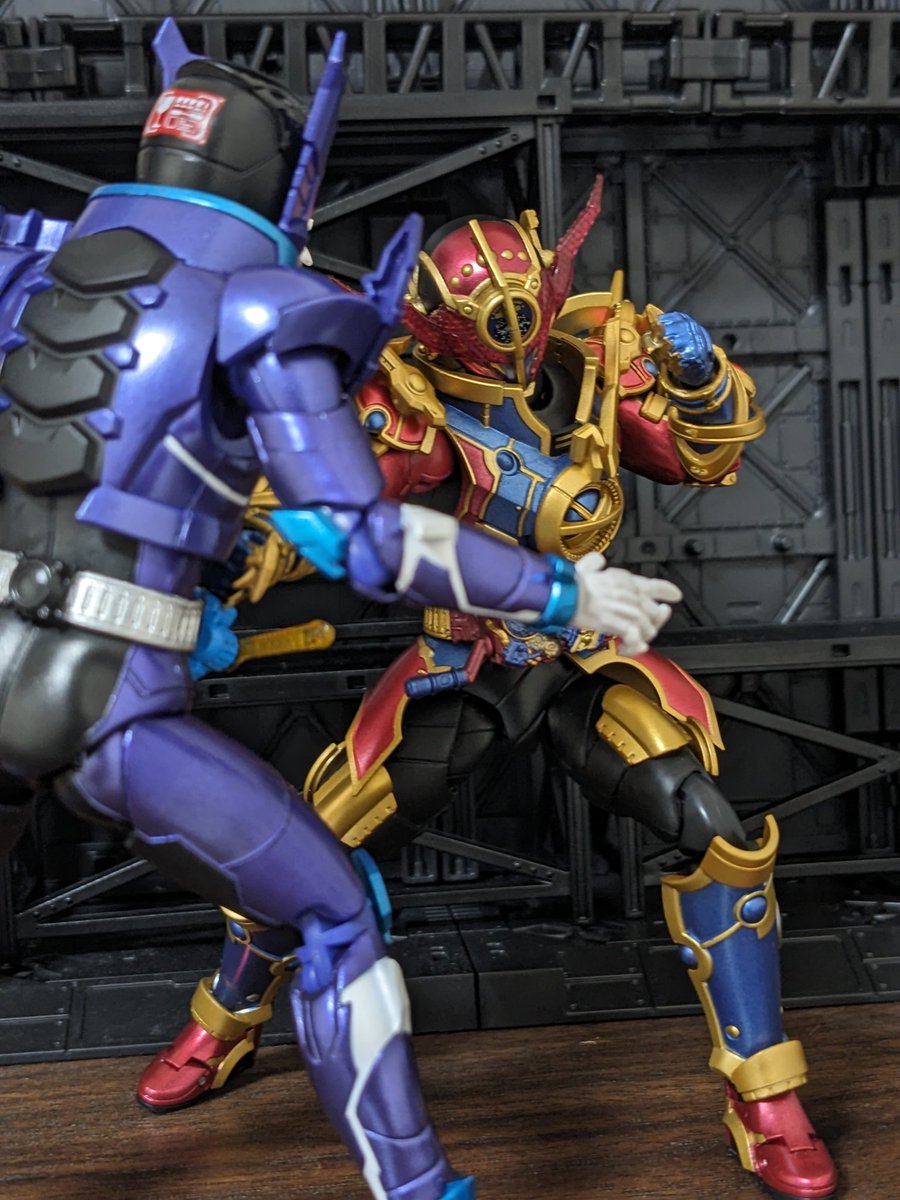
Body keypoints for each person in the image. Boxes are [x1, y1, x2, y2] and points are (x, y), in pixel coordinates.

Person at [0, 22, 678, 1200]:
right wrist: (572, 587)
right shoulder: (260, 302)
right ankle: (414, 1185)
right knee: (336, 910)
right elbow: (355, 536)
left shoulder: (26, 267)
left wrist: (187, 598)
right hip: (120, 702)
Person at [138, 179, 837, 1200]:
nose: (513, 339)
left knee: (716, 835)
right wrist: (245, 550)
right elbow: (334, 508)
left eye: (524, 314)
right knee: (313, 846)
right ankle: (224, 1019)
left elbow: (702, 454)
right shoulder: (412, 406)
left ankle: (767, 1096)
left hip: (588, 651)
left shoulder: (596, 360)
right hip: (465, 662)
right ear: (440, 326)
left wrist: (694, 378)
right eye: (489, 325)